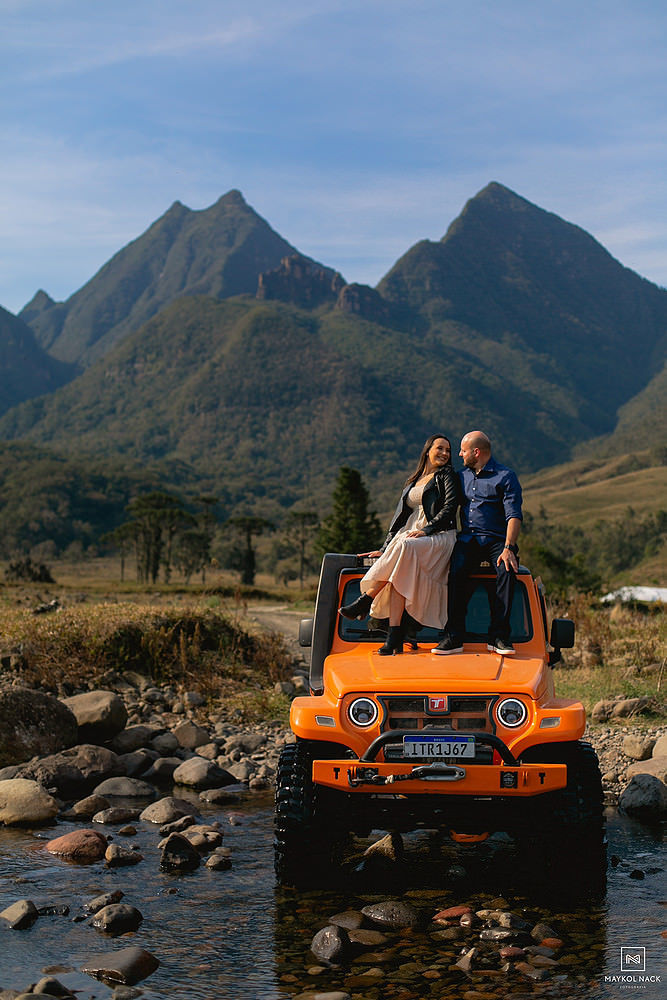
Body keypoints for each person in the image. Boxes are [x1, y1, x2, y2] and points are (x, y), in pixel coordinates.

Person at [339, 434, 460, 655]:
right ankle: (394, 638)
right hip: (410, 536)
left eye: (448, 450)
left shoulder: (447, 475)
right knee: (398, 577)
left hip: (439, 534)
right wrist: (385, 548)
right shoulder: (414, 479)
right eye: (440, 448)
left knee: (404, 545)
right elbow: (399, 518)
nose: (444, 453)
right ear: (427, 450)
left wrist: (425, 530)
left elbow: (450, 508)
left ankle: (366, 599)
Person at [432, 430, 523, 656]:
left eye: (463, 451)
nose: (460, 455)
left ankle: (499, 636)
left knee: (507, 569)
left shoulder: (506, 476)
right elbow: (443, 507)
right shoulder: (461, 476)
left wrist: (509, 548)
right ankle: (453, 636)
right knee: (455, 569)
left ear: (476, 452)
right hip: (468, 538)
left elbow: (514, 515)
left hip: (497, 540)